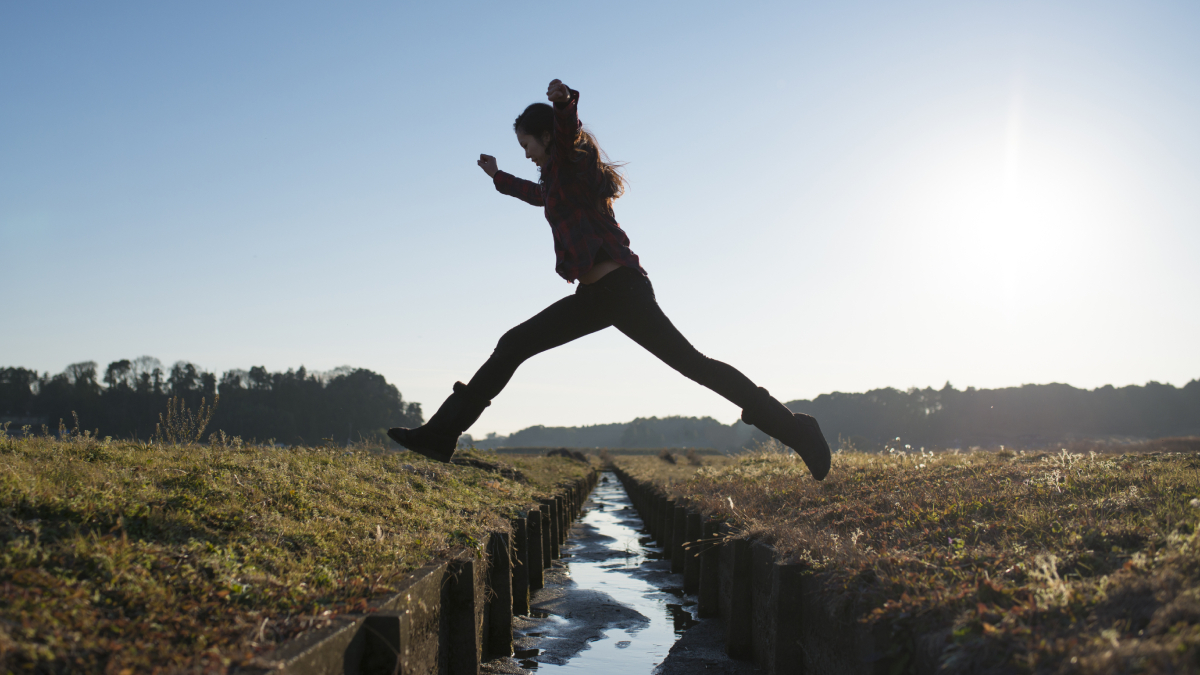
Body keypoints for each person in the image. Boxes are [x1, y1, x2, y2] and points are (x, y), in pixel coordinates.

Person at [388, 79, 831, 480]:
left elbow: (567, 135)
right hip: (597, 296)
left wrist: (563, 105)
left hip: (624, 291)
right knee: (514, 344)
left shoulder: (573, 161)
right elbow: (535, 193)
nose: (526, 152)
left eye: (527, 144)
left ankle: (795, 429)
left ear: (545, 137)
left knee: (695, 365)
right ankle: (439, 436)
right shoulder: (558, 181)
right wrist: (498, 176)